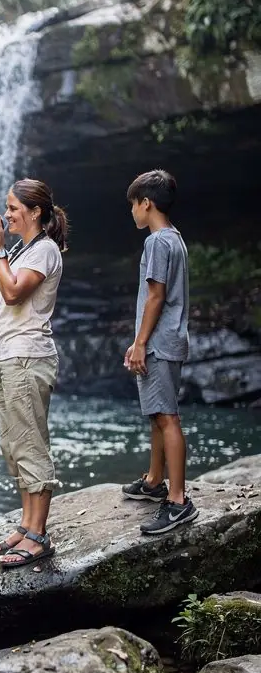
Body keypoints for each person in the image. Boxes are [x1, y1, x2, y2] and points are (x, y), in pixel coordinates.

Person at [0, 178, 68, 568]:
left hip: (29, 357)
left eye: (13, 208)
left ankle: (39, 535)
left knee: (30, 443)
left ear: (35, 212)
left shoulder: (44, 251)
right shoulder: (17, 248)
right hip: (8, 356)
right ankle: (27, 526)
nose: (6, 214)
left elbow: (13, 293)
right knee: (14, 444)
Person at [122, 168, 198, 534]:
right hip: (167, 339)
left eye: (133, 205)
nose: (132, 212)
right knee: (157, 413)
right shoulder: (176, 239)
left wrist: (140, 342)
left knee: (167, 416)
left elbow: (156, 295)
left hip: (160, 343)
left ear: (146, 203)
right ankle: (154, 481)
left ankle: (179, 500)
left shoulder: (156, 243)